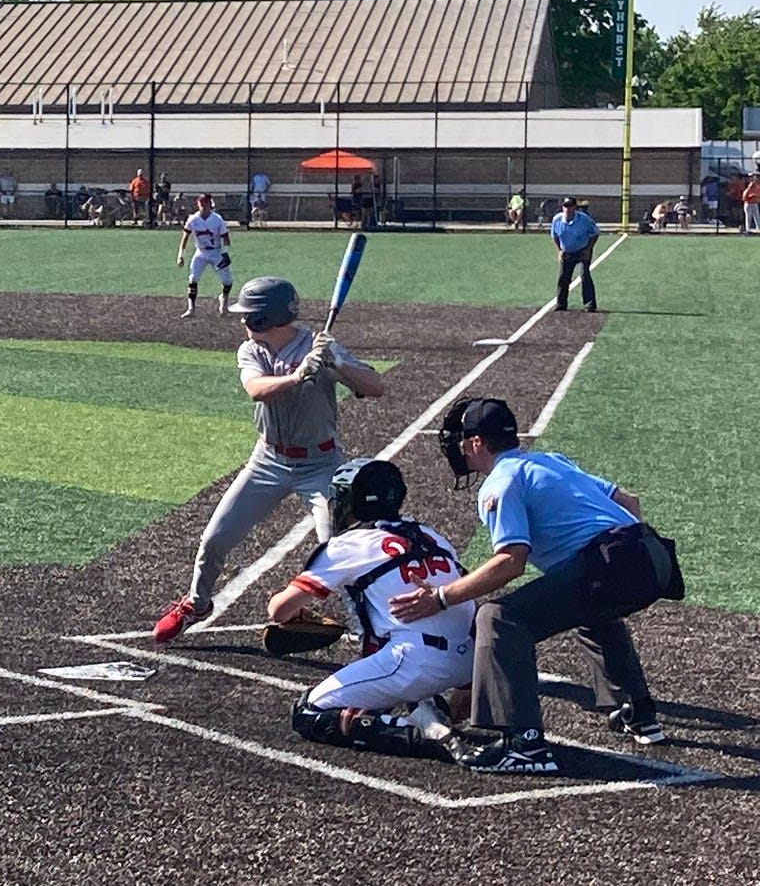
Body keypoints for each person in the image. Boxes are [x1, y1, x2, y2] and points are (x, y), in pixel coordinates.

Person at [394, 398, 683, 773]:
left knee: (499, 618)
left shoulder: (499, 482)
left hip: (617, 563)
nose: (460, 448)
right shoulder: (550, 460)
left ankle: (524, 743)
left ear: (477, 443)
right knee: (593, 609)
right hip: (653, 554)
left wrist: (441, 597)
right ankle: (637, 711)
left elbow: (511, 561)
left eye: (463, 440)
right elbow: (628, 500)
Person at [152, 277, 387, 641]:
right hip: (267, 462)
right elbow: (256, 390)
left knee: (336, 550)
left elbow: (375, 387)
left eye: (247, 316)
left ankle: (368, 628)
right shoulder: (251, 351)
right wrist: (298, 376)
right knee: (215, 538)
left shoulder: (320, 346)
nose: (242, 322)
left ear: (265, 318)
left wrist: (338, 362)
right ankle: (197, 603)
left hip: (321, 465)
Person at [270, 458, 473, 760]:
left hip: (415, 661)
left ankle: (422, 736)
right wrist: (470, 684)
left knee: (308, 712)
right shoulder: (433, 536)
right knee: (386, 678)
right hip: (470, 659)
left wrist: (285, 610)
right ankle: (427, 711)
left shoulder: (349, 544)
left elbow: (280, 611)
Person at [175, 193, 234, 319]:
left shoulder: (217, 219)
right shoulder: (193, 219)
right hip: (201, 252)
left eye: (205, 204)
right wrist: (181, 255)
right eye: (200, 204)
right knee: (193, 278)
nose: (203, 207)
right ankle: (191, 308)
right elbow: (185, 237)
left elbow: (226, 238)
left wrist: (225, 252)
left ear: (209, 204)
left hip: (216, 251)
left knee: (227, 281)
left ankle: (223, 300)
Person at [550, 196, 599, 313]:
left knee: (584, 275)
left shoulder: (584, 219)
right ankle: (561, 303)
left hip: (582, 251)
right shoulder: (557, 220)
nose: (568, 209)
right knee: (563, 277)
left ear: (574, 208)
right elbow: (554, 236)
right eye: (565, 206)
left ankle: (590, 304)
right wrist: (559, 251)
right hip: (567, 252)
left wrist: (588, 249)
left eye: (570, 206)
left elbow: (595, 233)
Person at [745, 172, 760, 236]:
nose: (752, 178)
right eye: (750, 177)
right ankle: (748, 230)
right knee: (748, 216)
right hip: (748, 203)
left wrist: (755, 195)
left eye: (753, 177)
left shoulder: (757, 186)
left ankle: (758, 229)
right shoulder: (747, 185)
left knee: (757, 216)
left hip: (754, 203)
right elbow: (744, 195)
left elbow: (758, 193)